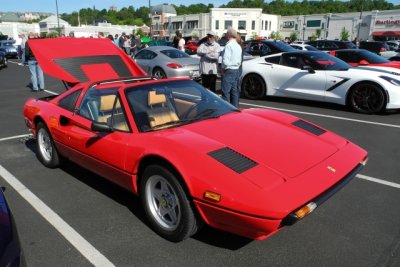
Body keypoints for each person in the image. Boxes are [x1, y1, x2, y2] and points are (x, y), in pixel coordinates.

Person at [221, 27, 242, 107]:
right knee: (234, 92)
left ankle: (226, 110)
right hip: (236, 69)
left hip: (229, 70)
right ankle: (235, 109)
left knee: (225, 92)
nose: (226, 35)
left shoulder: (228, 45)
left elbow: (225, 61)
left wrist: (222, 69)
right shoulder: (238, 46)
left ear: (229, 35)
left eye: (226, 34)